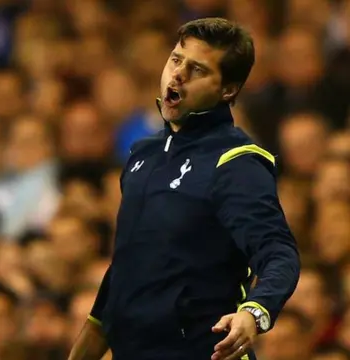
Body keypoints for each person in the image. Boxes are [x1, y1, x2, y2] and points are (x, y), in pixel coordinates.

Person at [68, 18, 300, 360]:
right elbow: (128, 268)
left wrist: (254, 312)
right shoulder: (141, 155)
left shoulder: (235, 161)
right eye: (176, 60)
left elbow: (279, 252)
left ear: (228, 90)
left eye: (197, 70)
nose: (178, 75)